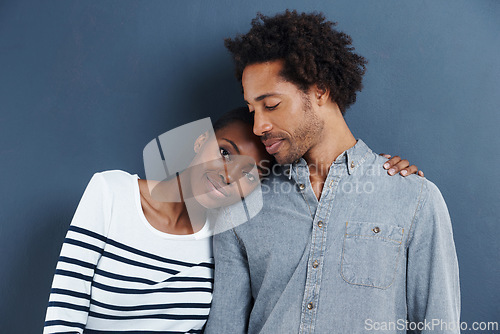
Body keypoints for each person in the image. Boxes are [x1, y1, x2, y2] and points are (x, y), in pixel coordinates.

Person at [43, 107, 419, 333]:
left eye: (250, 173)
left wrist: (377, 172)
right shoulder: (111, 193)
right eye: (225, 152)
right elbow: (62, 319)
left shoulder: (231, 233)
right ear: (198, 141)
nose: (229, 175)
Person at [204, 11, 460, 334]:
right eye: (253, 110)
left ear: (320, 90)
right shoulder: (241, 205)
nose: (258, 126)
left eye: (270, 105)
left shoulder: (415, 200)